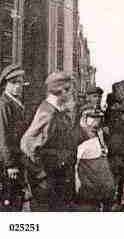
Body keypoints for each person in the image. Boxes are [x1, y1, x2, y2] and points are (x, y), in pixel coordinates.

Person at [20, 72, 79, 211]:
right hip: (49, 181)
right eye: (70, 90)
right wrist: (40, 174)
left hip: (59, 178)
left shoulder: (58, 111)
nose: (72, 94)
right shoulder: (48, 113)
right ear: (61, 91)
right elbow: (26, 144)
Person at [0, 64, 30, 211]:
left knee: (17, 199)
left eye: (20, 82)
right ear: (6, 84)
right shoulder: (4, 104)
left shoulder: (16, 103)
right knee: (9, 201)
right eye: (14, 82)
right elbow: (3, 136)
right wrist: (10, 164)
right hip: (10, 163)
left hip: (18, 159)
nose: (18, 86)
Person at [75, 109, 115, 211]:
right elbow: (76, 164)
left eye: (98, 120)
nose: (95, 124)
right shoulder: (79, 137)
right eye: (92, 120)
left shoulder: (101, 135)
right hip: (87, 186)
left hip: (102, 185)